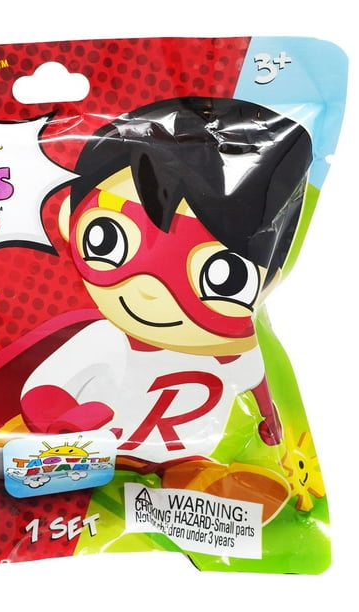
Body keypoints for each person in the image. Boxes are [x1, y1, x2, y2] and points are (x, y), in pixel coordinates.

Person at [20, 97, 313, 522]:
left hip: (187, 458)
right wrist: (62, 423)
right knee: (45, 472)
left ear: (269, 281)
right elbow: (44, 390)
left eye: (225, 277)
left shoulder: (235, 352)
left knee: (196, 478)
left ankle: (198, 487)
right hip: (91, 453)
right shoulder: (106, 339)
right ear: (70, 220)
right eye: (106, 239)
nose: (150, 292)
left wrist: (270, 424)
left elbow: (257, 386)